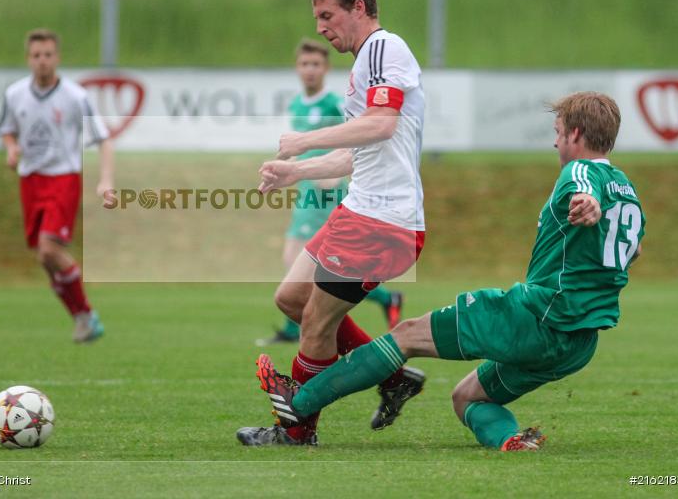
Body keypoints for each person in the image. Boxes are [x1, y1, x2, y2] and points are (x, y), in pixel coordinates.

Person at [251, 91, 644, 451]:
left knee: (405, 335)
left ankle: (299, 404)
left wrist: (586, 203)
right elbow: (633, 248)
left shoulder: (580, 174)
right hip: (578, 345)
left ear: (575, 134)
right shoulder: (626, 189)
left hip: (536, 319)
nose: (555, 141)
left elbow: (583, 188)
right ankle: (511, 441)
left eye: (558, 133)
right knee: (467, 398)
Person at [237, 0, 427, 446]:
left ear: (358, 8)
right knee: (291, 300)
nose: (320, 27)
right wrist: (297, 171)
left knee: (318, 322)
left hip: (382, 220)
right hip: (360, 209)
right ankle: (391, 377)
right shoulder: (365, 61)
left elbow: (382, 124)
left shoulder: (385, 49)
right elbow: (357, 151)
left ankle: (297, 429)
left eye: (327, 15)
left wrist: (303, 141)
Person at [257, 38, 404, 346]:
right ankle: (383, 300)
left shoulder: (335, 104)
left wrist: (338, 178)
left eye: (316, 64)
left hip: (328, 189)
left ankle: (303, 326)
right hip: (305, 188)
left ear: (326, 68)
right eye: (304, 64)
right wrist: (285, 169)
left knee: (322, 266)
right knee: (292, 258)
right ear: (297, 68)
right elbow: (299, 151)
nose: (310, 70)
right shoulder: (297, 104)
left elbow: (354, 141)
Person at [0, 28, 115, 343]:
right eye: (36, 56)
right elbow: (7, 130)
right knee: (44, 259)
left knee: (50, 249)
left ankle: (87, 314)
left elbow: (103, 139)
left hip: (63, 178)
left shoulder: (76, 97)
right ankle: (81, 318)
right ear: (28, 59)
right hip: (30, 181)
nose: (42, 61)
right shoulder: (14, 94)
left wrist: (105, 181)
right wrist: (11, 148)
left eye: (48, 55)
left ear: (57, 58)